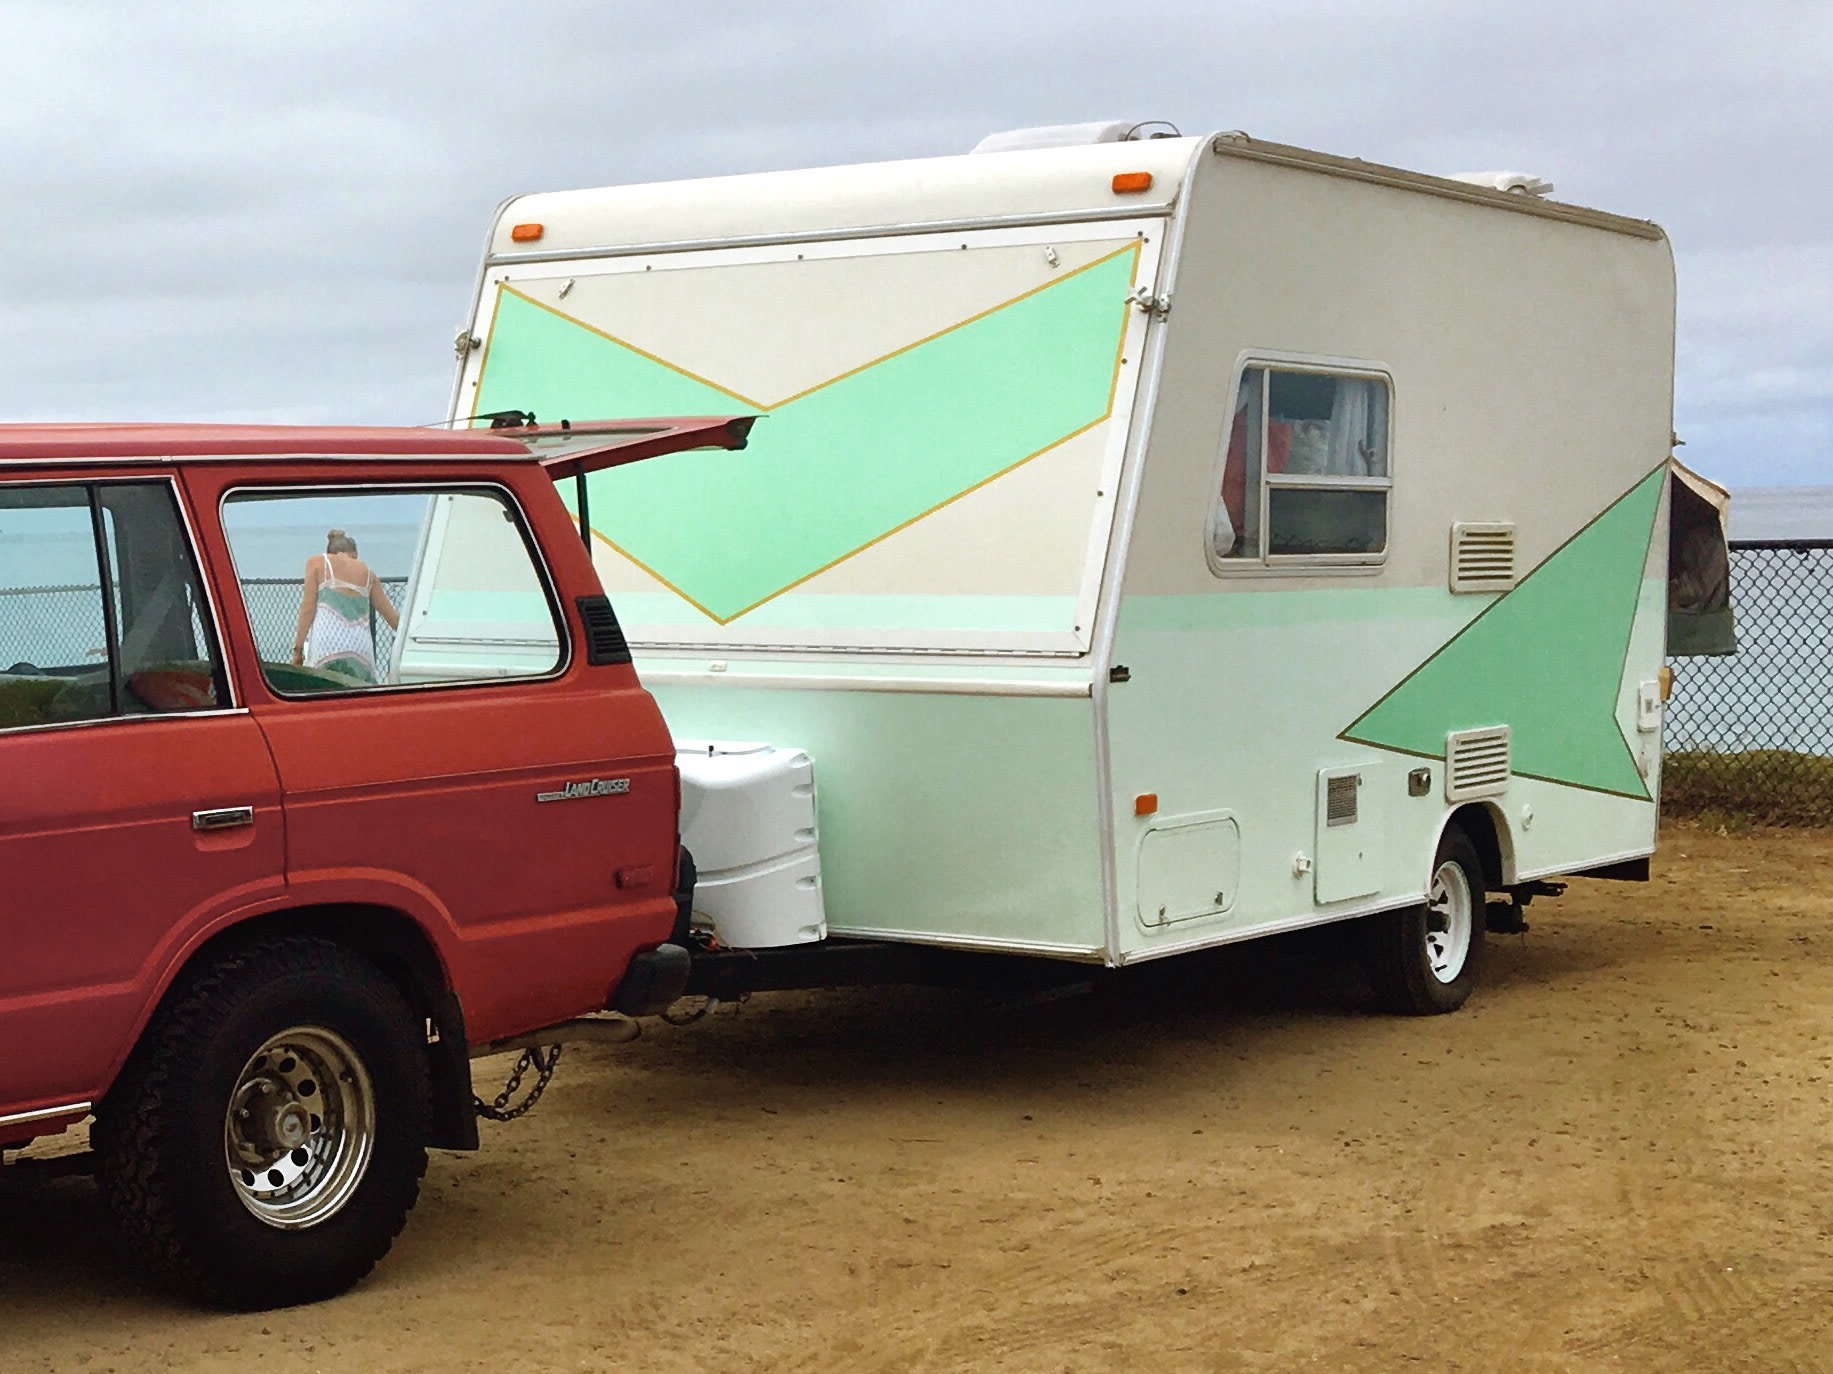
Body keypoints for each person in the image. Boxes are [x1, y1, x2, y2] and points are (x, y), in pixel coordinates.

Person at [291, 529, 399, 683]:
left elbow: (308, 608)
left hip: (327, 644)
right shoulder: (368, 573)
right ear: (354, 553)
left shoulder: (317, 563)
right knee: (360, 693)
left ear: (329, 551)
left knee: (323, 690)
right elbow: (393, 619)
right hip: (361, 647)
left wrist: (298, 650)